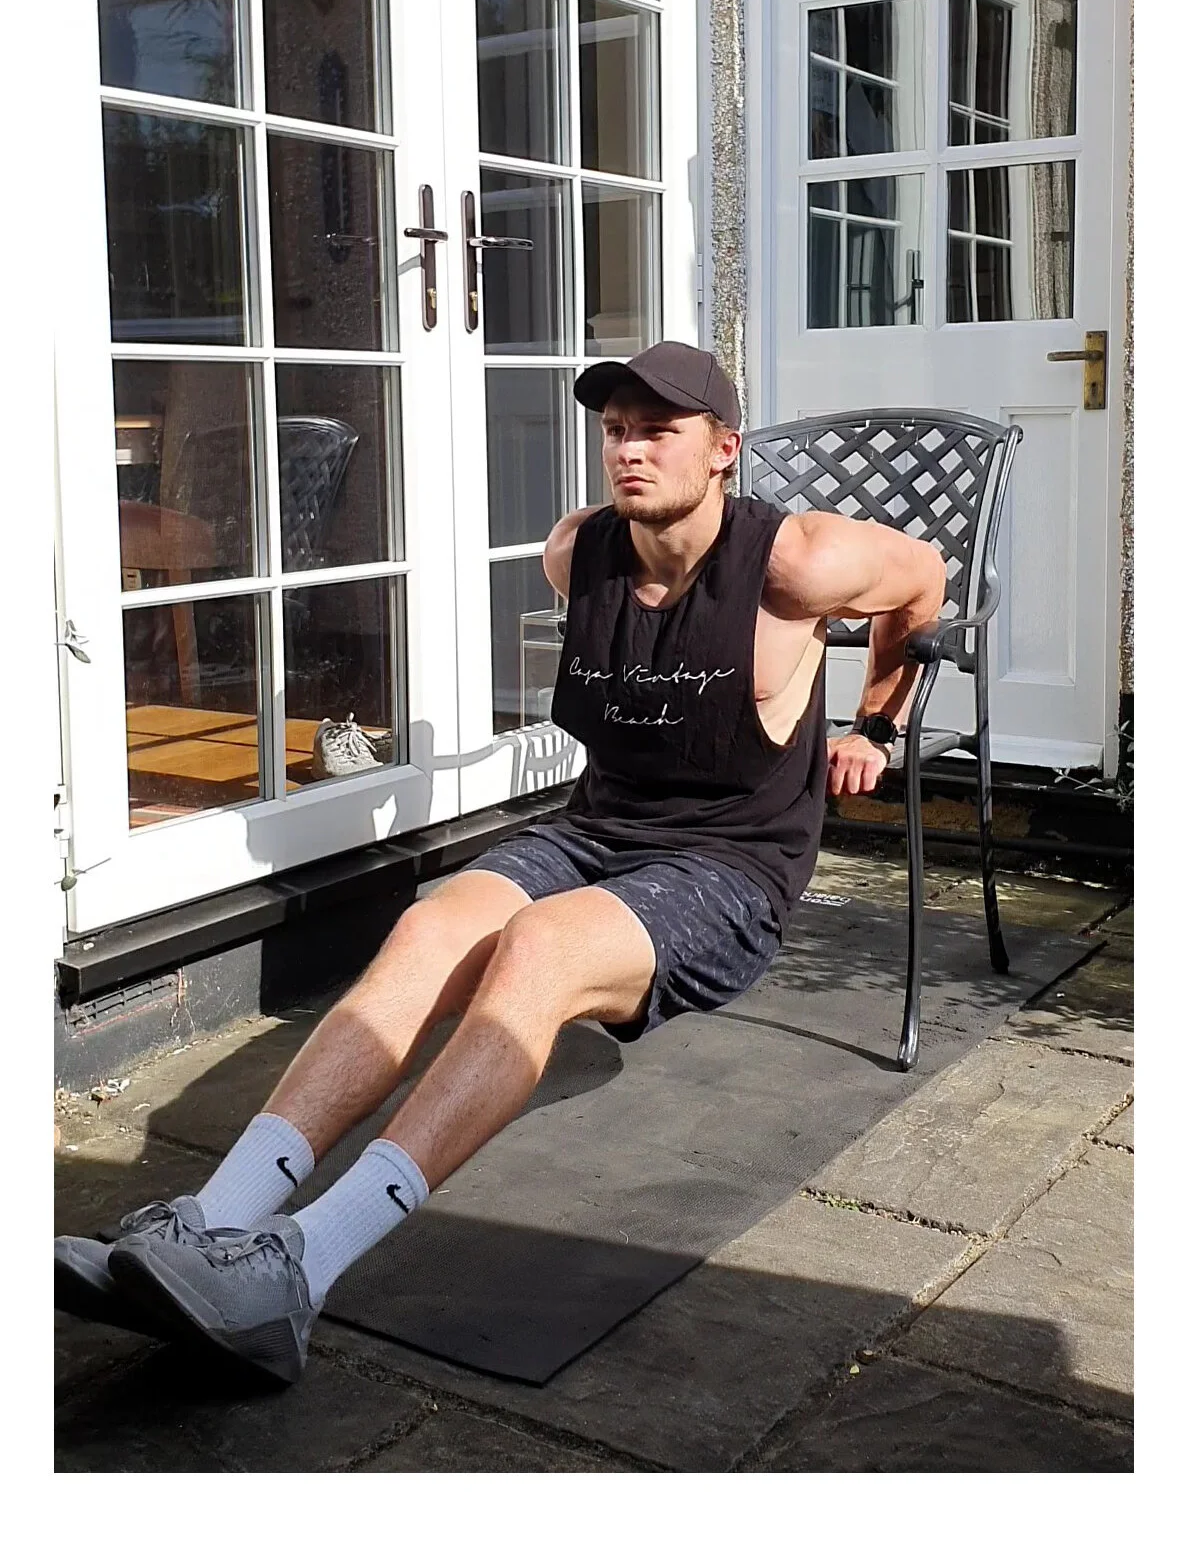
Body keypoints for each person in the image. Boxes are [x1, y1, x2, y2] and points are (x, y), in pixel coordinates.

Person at [54, 340, 947, 1385]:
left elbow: (923, 580)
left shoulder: (799, 562)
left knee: (538, 948)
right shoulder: (578, 551)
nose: (630, 450)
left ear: (722, 450)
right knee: (430, 928)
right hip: (596, 829)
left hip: (729, 861)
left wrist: (878, 726)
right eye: (616, 431)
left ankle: (301, 1265)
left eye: (660, 431)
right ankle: (211, 1222)